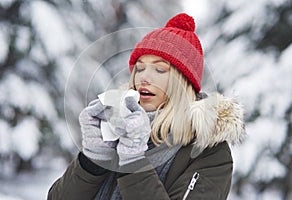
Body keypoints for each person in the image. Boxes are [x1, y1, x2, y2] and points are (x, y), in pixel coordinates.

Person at [47, 13, 245, 200]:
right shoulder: (115, 128)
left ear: (183, 83)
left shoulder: (209, 150)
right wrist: (93, 160)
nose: (144, 77)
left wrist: (133, 162)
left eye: (160, 69)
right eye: (139, 68)